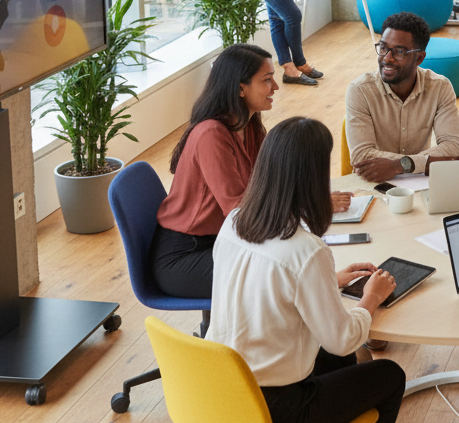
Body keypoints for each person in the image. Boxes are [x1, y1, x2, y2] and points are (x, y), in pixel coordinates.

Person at [207, 116, 406, 423]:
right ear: (314, 176)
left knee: (332, 360)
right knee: (388, 376)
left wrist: (326, 282)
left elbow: (265, 288)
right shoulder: (306, 250)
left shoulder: (234, 221)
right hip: (277, 415)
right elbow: (344, 339)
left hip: (224, 395)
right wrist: (370, 299)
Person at [151, 44, 352, 299]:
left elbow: (268, 186)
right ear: (240, 88)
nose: (276, 87)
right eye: (267, 80)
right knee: (284, 270)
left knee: (299, 256)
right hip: (186, 255)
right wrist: (307, 206)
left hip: (223, 241)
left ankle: (323, 295)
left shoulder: (251, 125)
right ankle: (325, 300)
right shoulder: (211, 135)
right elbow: (238, 211)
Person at [346, 11, 459, 182]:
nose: (387, 58)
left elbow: (454, 149)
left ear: (420, 58)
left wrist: (401, 165)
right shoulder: (360, 90)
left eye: (399, 52)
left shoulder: (440, 88)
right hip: (374, 180)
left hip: (419, 180)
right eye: (383, 48)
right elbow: (362, 156)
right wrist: (423, 162)